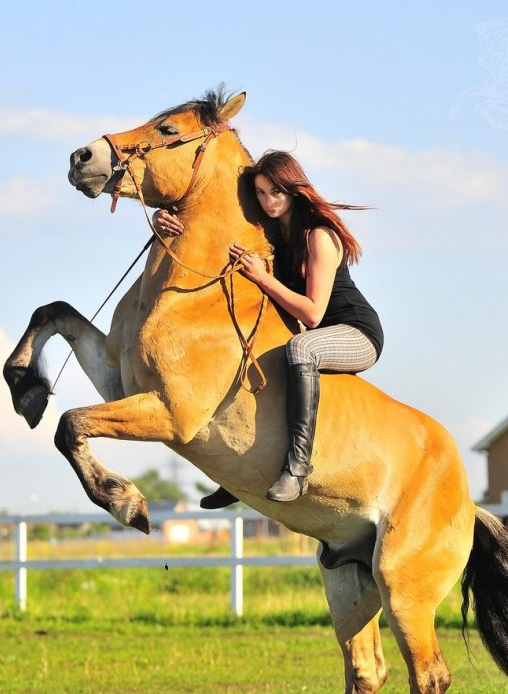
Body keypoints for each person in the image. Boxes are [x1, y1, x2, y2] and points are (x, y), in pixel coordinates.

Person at [153, 151, 383, 505]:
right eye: (260, 193)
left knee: (300, 349)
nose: (268, 201)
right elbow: (214, 225)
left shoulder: (319, 236)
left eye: (275, 192)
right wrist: (164, 218)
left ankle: (297, 469)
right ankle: (243, 469)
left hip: (356, 334)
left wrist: (262, 278)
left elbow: (312, 315)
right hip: (318, 334)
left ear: (293, 189)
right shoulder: (272, 232)